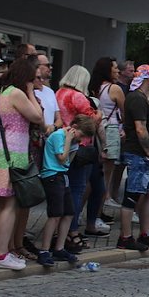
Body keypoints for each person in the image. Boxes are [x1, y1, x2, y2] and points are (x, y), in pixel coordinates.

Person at [0, 57, 45, 270]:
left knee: (2, 205)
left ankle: (2, 250)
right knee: (9, 205)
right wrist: (30, 92)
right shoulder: (16, 93)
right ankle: (2, 254)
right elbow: (37, 116)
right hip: (13, 152)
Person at [115, 64, 149, 252]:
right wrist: (148, 152)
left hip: (148, 155)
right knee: (132, 195)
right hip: (138, 153)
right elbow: (140, 128)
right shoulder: (136, 99)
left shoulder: (143, 99)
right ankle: (125, 237)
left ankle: (146, 233)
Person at [56, 65, 106, 250]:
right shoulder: (78, 96)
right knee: (77, 189)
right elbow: (92, 120)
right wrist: (99, 114)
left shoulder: (59, 93)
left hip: (63, 143)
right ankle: (72, 230)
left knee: (66, 188)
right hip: (81, 146)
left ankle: (62, 229)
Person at [37, 114, 96, 267]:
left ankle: (59, 247)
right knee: (55, 214)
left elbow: (69, 161)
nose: (80, 139)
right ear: (74, 128)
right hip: (52, 175)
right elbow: (62, 158)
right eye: (81, 135)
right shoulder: (58, 136)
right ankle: (44, 250)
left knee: (69, 212)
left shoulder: (73, 141)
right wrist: (69, 140)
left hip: (63, 175)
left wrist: (75, 144)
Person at [89, 57, 125, 214]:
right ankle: (98, 212)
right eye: (115, 68)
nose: (118, 71)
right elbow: (125, 112)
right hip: (110, 130)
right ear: (107, 70)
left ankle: (94, 211)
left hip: (95, 129)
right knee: (106, 175)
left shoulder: (93, 87)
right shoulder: (114, 89)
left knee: (96, 172)